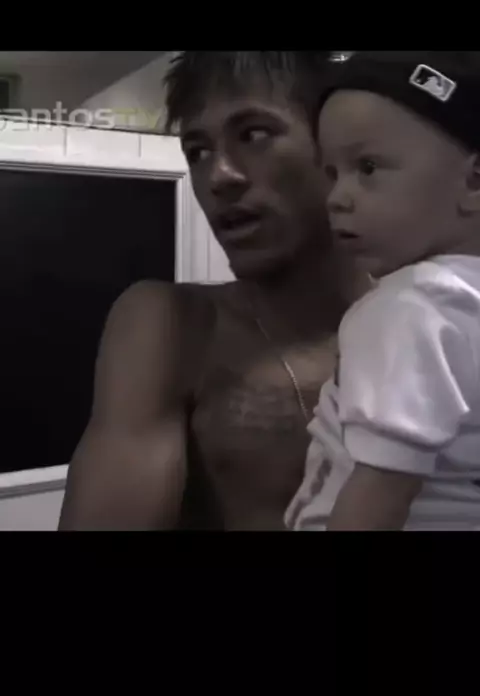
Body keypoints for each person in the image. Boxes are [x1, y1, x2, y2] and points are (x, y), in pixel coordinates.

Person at [59, 51, 361, 531]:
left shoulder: (439, 319)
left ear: (338, 147)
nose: (219, 176)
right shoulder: (174, 326)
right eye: (197, 151)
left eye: (254, 135)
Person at [286, 51, 480, 532]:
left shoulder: (408, 308)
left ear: (474, 182)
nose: (337, 197)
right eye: (332, 173)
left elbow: (381, 494)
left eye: (368, 167)